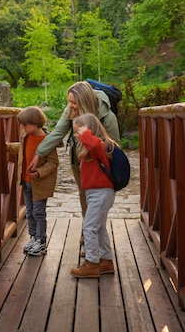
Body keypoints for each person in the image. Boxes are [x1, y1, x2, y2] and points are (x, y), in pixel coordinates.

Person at [26, 81, 119, 234]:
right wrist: (39, 153)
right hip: (78, 161)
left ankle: (92, 233)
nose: (70, 106)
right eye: (69, 101)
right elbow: (57, 133)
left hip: (100, 167)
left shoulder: (107, 117)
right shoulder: (70, 110)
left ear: (84, 102)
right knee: (84, 195)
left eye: (74, 103)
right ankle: (87, 231)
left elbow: (115, 147)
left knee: (96, 200)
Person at [6, 106, 59, 256]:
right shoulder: (26, 136)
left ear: (35, 123)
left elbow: (53, 163)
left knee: (38, 213)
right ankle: (33, 237)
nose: (22, 127)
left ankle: (41, 241)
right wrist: (7, 147)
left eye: (24, 124)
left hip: (39, 184)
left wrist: (39, 172)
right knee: (29, 212)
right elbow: (21, 149)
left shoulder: (46, 141)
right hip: (26, 182)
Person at [69, 113, 117, 278]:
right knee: (100, 227)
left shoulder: (99, 145)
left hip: (101, 193)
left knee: (88, 227)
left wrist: (85, 134)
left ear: (89, 131)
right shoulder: (89, 147)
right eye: (76, 133)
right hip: (95, 193)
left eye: (78, 132)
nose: (76, 135)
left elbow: (96, 146)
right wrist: (83, 135)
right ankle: (106, 260)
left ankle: (91, 264)